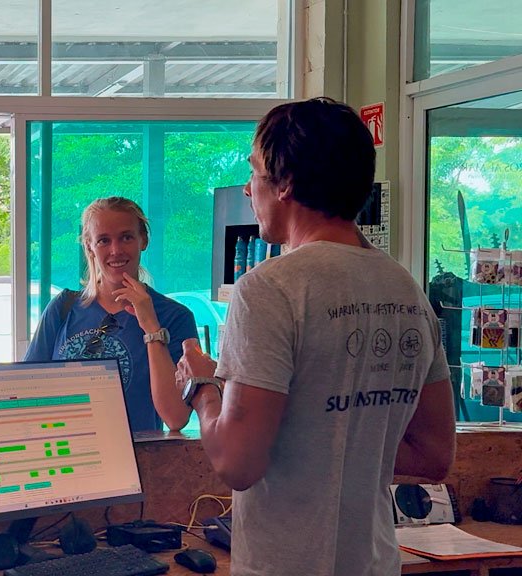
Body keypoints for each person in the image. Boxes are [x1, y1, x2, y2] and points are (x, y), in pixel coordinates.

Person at [176, 97, 456, 576]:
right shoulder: (406, 289)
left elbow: (237, 465)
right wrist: (338, 451)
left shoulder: (268, 289)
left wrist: (202, 388)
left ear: (284, 184)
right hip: (374, 563)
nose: (248, 189)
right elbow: (434, 454)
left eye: (256, 173)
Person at [25, 197, 198, 433]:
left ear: (143, 240)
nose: (116, 250)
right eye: (104, 240)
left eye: (126, 237)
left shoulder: (174, 317)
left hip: (140, 462)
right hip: (66, 457)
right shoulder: (63, 309)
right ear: (89, 246)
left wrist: (151, 328)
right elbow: (27, 391)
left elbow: (175, 417)